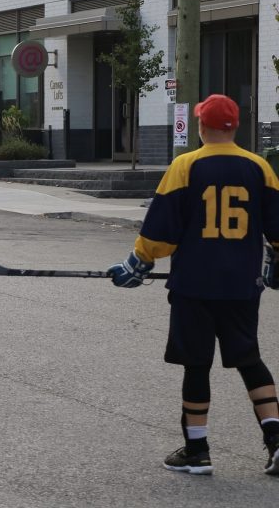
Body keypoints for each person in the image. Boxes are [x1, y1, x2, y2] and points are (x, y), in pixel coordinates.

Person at [107, 94, 279, 476]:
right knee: (250, 361)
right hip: (241, 287)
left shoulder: (185, 166)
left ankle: (197, 450)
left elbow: (162, 230)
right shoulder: (259, 167)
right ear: (235, 126)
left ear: (201, 126)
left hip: (194, 286)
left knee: (197, 365)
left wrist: (139, 262)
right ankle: (276, 441)